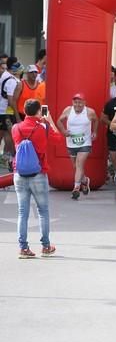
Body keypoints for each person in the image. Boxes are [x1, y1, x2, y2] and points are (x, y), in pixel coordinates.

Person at [12, 99, 61, 258]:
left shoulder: (16, 128)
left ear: (25, 111)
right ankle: (46, 246)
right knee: (43, 211)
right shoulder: (43, 128)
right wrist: (49, 121)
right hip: (39, 174)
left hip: (19, 174)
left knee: (22, 212)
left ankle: (23, 248)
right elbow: (58, 139)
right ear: (39, 112)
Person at [56, 93, 99, 199]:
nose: (77, 104)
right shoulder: (68, 110)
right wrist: (63, 131)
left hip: (85, 142)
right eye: (75, 102)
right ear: (72, 102)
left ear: (84, 103)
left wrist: (95, 132)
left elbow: (96, 120)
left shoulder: (90, 112)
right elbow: (59, 121)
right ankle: (84, 180)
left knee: (79, 164)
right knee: (75, 166)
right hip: (71, 142)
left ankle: (76, 188)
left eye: (80, 102)